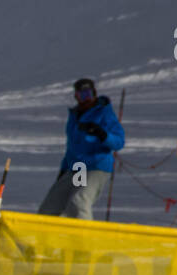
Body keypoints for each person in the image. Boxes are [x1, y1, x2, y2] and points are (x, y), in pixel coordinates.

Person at [37, 77, 125, 219]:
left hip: (97, 166)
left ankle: (84, 237)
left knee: (79, 201)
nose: (86, 99)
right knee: (53, 204)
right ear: (76, 97)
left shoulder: (103, 113)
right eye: (82, 95)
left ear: (94, 93)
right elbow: (72, 147)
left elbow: (119, 142)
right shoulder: (75, 116)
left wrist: (101, 133)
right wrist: (64, 169)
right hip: (78, 168)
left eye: (88, 94)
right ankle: (47, 236)